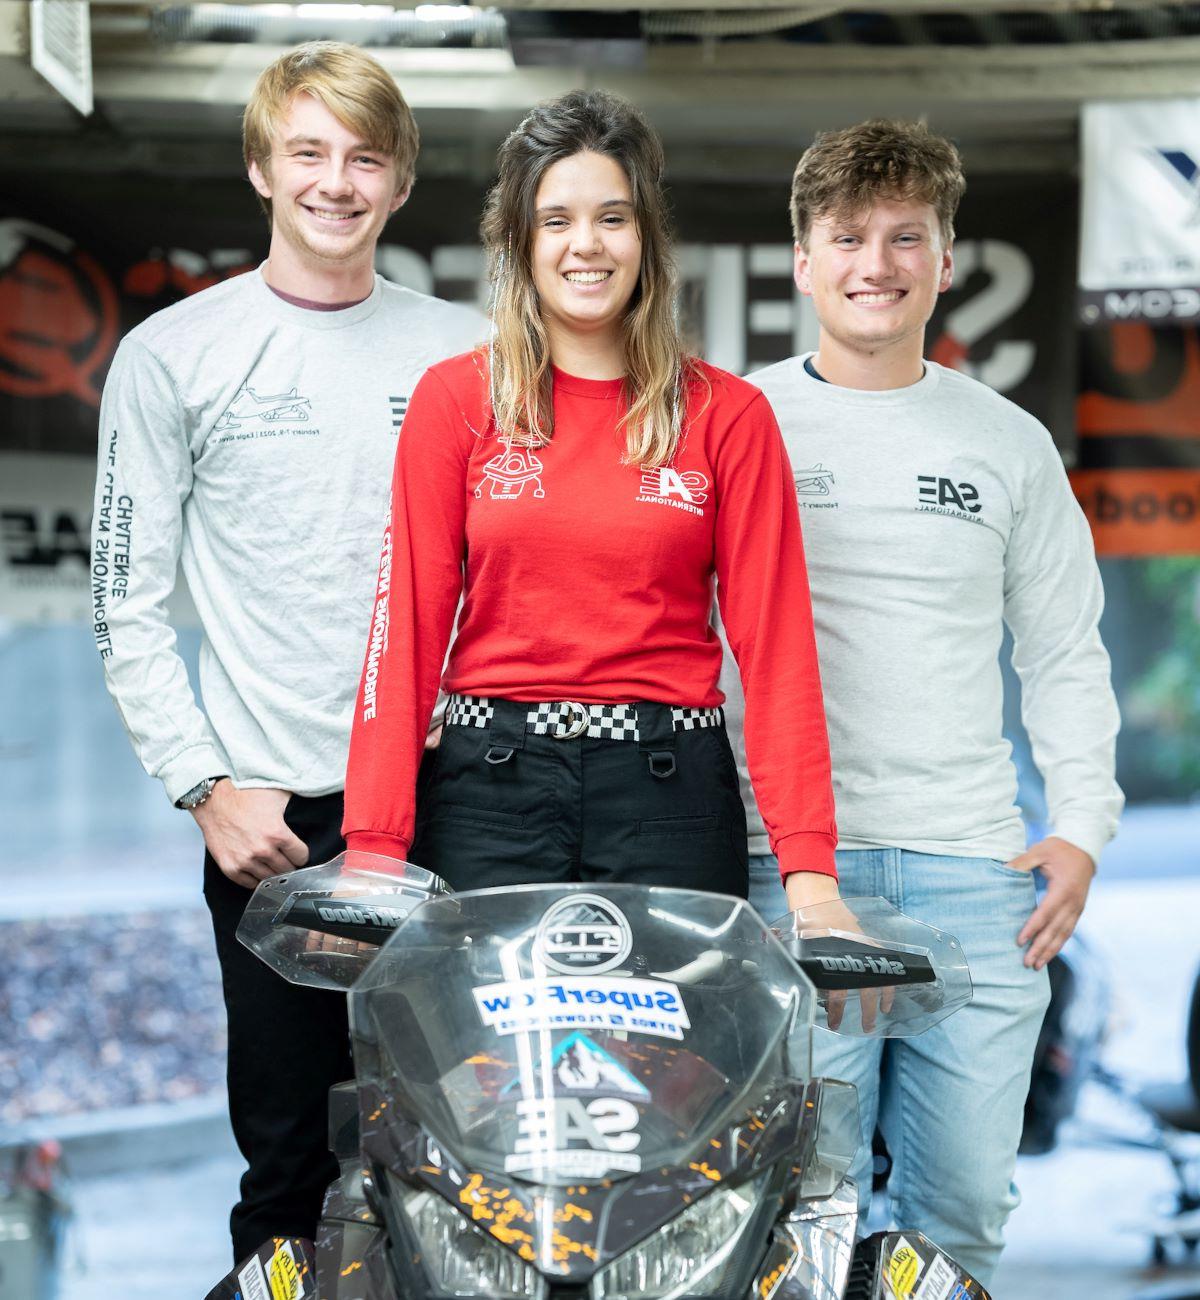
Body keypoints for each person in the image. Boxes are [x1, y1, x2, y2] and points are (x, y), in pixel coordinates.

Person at [90, 42, 483, 1260]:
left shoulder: (473, 349)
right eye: (308, 152)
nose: (336, 181)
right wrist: (203, 788)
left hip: (453, 800)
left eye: (366, 157)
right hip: (276, 828)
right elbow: (124, 602)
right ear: (261, 167)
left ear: (402, 181)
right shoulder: (175, 354)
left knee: (469, 1153)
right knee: (292, 1171)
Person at [723, 119, 1123, 1285]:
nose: (876, 264)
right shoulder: (739, 424)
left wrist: (1083, 828)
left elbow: (1064, 651)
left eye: (907, 237)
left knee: (958, 1224)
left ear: (946, 259)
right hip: (793, 872)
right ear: (803, 258)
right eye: (848, 236)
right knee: (803, 1217)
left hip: (975, 879)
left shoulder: (1007, 443)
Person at [341, 90, 836, 903]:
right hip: (487, 798)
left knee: (661, 1039)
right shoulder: (455, 401)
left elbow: (780, 653)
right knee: (482, 1041)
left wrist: (811, 872)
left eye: (613, 217)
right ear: (520, 240)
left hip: (669, 799)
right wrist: (373, 845)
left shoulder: (728, 415)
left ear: (646, 238)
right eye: (557, 219)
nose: (587, 246)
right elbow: (404, 634)